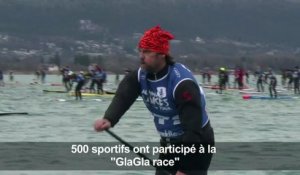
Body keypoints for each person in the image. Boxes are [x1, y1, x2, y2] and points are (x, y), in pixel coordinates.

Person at [94, 26, 214, 175]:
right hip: (169, 144)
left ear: (162, 54)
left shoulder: (182, 84)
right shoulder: (140, 75)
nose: (141, 56)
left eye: (147, 52)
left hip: (196, 143)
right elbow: (124, 96)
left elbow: (193, 130)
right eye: (141, 51)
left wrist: (184, 168)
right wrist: (109, 118)